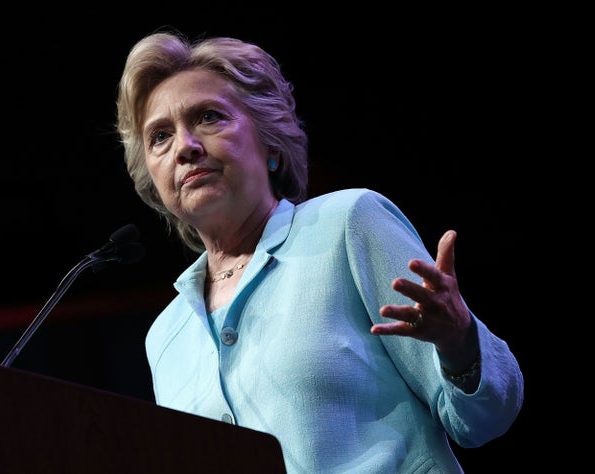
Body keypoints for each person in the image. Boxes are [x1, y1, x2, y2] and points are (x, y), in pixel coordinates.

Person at [114, 29, 524, 473]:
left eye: (209, 117)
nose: (185, 147)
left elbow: (482, 420)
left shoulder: (347, 224)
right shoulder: (166, 337)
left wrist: (459, 343)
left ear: (270, 143)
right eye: (160, 137)